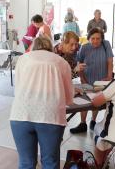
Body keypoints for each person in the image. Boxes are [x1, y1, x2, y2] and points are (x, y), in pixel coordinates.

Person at [10, 36, 74, 169]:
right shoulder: (61, 62)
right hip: (50, 116)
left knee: (25, 163)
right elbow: (69, 98)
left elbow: (17, 89)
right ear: (51, 48)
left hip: (20, 114)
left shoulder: (23, 59)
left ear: (33, 47)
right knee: (50, 162)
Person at [70, 28, 114, 134]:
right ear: (88, 39)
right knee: (84, 102)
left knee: (96, 101)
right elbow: (79, 65)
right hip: (87, 78)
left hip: (101, 80)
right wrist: (82, 79)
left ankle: (93, 121)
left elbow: (110, 61)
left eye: (98, 38)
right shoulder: (84, 48)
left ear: (102, 38)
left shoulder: (106, 44)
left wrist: (109, 76)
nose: (95, 41)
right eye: (92, 38)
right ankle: (82, 123)